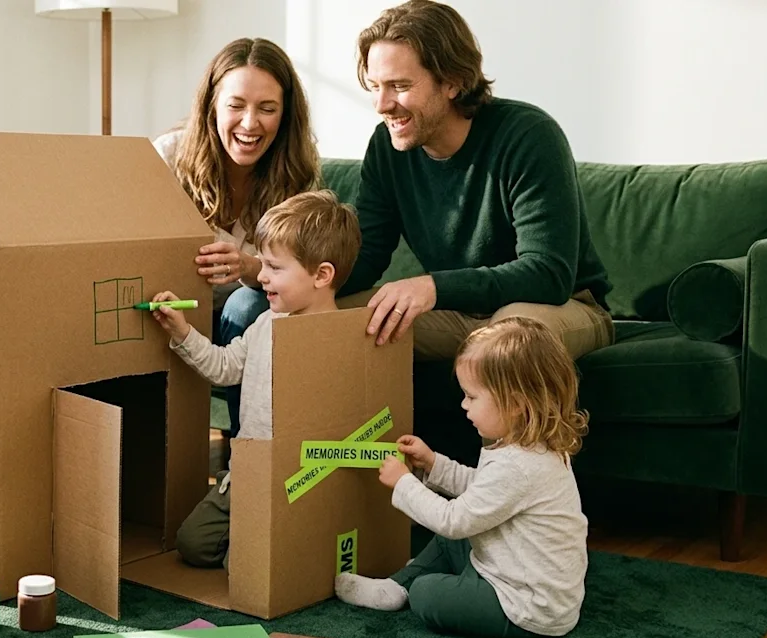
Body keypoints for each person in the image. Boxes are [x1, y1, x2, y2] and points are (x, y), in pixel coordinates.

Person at [337, 0, 615, 361]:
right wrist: (288, 281)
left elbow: (548, 274)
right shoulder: (386, 147)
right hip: (460, 311)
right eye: (374, 86)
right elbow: (368, 253)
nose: (381, 104)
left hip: (561, 307)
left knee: (505, 345)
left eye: (399, 85)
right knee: (321, 323)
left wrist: (433, 286)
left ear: (452, 81)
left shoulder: (529, 136)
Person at [335, 316, 589, 638]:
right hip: (511, 568)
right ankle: (394, 588)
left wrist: (404, 483)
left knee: (429, 592)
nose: (463, 405)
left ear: (514, 405)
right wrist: (433, 464)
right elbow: (483, 493)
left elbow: (454, 520)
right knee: (451, 541)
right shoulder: (529, 448)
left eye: (471, 396)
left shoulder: (520, 466)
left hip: (525, 605)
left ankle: (414, 586)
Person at [148, 190, 360, 568]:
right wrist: (182, 333)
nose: (260, 276)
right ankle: (250, 544)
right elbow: (225, 366)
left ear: (321, 275)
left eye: (275, 268)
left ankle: (261, 551)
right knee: (192, 542)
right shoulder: (265, 323)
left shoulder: (339, 340)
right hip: (246, 477)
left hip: (300, 484)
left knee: (249, 566)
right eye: (262, 264)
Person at [153, 36, 320, 438]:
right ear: (212, 105)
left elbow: (307, 273)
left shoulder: (299, 173)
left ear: (285, 114)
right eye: (235, 105)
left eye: (267, 109)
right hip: (171, 302)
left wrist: (249, 267)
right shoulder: (169, 156)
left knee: (248, 304)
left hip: (249, 319)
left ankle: (247, 451)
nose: (250, 124)